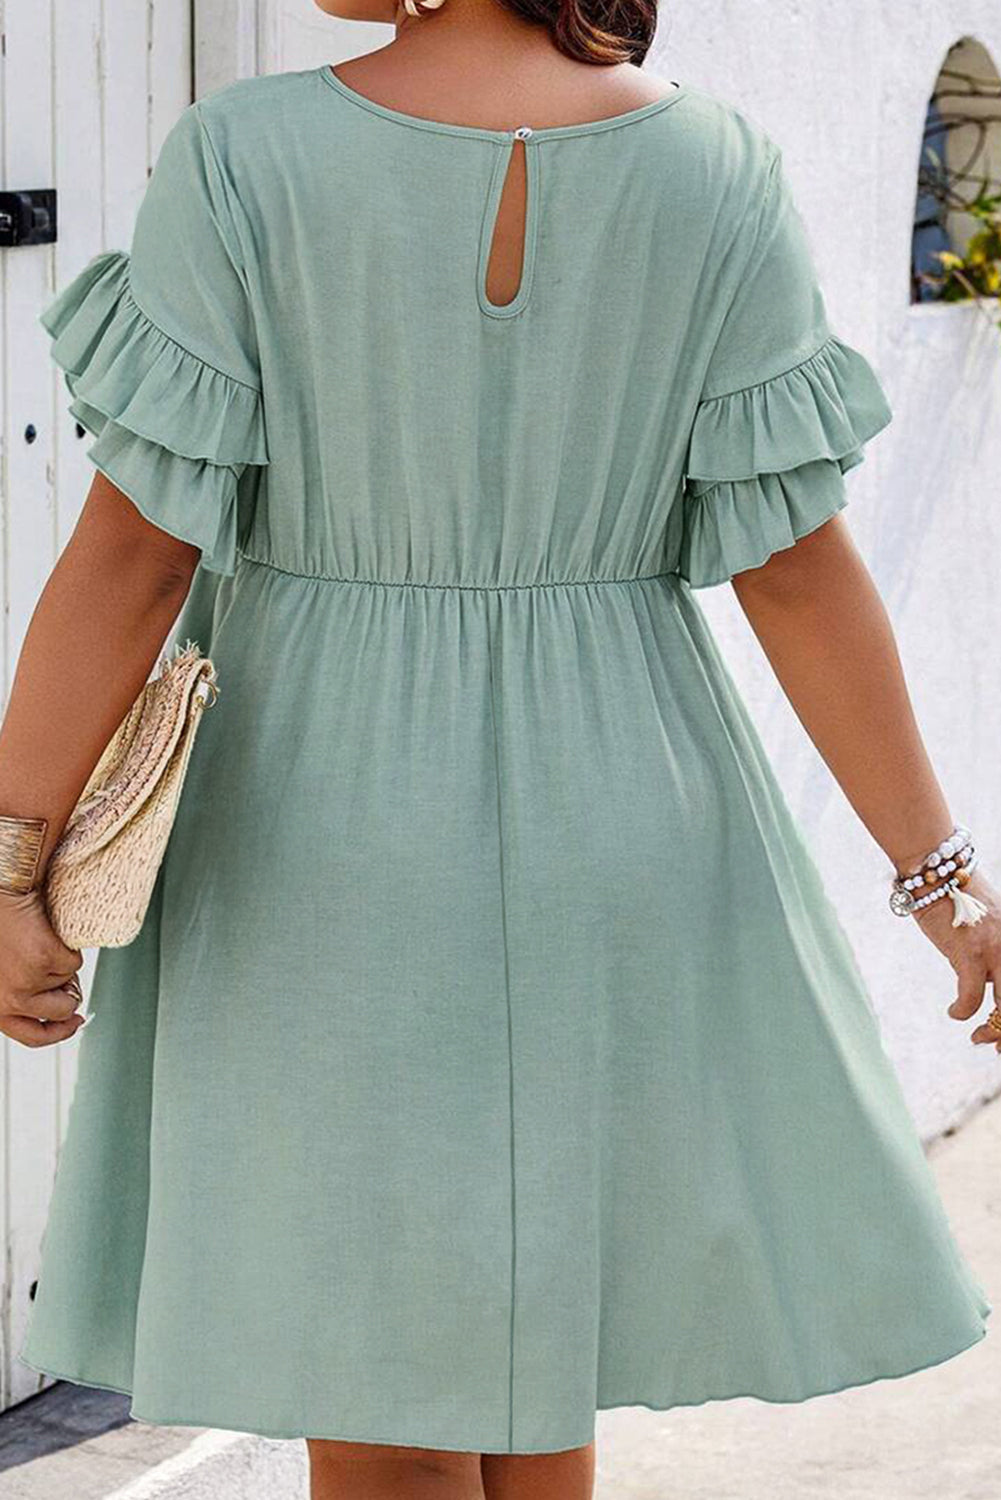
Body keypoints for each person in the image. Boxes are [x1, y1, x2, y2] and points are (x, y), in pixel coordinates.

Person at [2, 0, 996, 1496]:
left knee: (378, 1395)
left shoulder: (243, 156)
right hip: (622, 802)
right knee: (532, 1377)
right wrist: (944, 882)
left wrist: (13, 854)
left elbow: (134, 555)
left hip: (316, 826)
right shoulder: (715, 167)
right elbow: (798, 572)